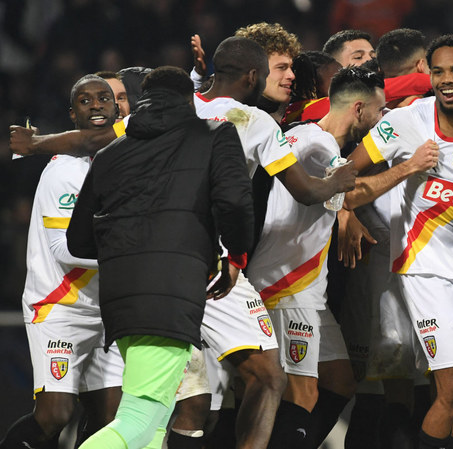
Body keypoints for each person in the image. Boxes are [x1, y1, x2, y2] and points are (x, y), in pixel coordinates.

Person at [172, 35, 353, 449]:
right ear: (253, 75)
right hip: (220, 266)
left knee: (197, 400)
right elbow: (306, 190)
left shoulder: (184, 106)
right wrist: (339, 184)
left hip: (167, 259)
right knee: (265, 379)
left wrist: (38, 144)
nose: (288, 76)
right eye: (278, 69)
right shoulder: (259, 123)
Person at [68, 66, 255, 449]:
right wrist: (234, 256)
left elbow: (79, 241)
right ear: (190, 101)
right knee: (137, 422)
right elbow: (235, 203)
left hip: (121, 300)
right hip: (171, 295)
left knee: (154, 423)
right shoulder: (216, 135)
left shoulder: (109, 153)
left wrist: (126, 247)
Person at [345, 34, 453, 449]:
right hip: (423, 272)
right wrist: (405, 170)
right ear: (429, 75)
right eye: (438, 72)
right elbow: (344, 178)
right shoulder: (406, 122)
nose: (447, 80)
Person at [245, 66, 387, 449]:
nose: (381, 119)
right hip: (288, 286)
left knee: (339, 381)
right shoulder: (319, 147)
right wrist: (409, 164)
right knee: (301, 393)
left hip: (307, 289)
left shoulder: (303, 135)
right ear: (359, 109)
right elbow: (350, 191)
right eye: (379, 111)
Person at [0, 75, 123, 449]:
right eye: (85, 100)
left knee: (110, 417)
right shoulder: (65, 170)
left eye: (104, 98)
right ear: (72, 115)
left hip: (105, 309)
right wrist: (130, 255)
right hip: (60, 305)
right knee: (55, 414)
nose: (97, 104)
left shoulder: (123, 162)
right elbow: (66, 251)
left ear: (117, 109)